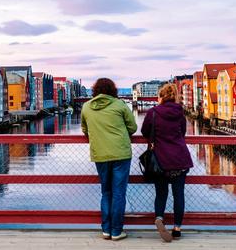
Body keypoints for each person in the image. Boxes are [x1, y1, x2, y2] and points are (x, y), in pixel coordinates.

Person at [81, 78, 137, 241]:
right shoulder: (120, 105)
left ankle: (106, 229)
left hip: (100, 154)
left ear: (95, 90)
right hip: (121, 154)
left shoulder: (86, 107)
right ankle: (116, 231)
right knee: (119, 193)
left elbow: (85, 129)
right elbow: (133, 127)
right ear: (113, 90)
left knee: (106, 192)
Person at [141, 83, 193, 242]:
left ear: (161, 96)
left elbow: (144, 132)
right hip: (179, 159)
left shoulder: (153, 113)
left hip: (160, 160)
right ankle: (177, 228)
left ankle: (159, 217)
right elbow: (182, 133)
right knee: (179, 195)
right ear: (175, 96)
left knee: (161, 193)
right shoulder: (180, 113)